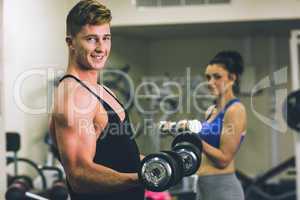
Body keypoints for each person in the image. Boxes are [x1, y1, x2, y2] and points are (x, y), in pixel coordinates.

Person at [48, 0, 144, 199]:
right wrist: (141, 179)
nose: (101, 48)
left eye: (106, 38)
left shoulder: (103, 91)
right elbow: (79, 176)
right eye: (91, 39)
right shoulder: (76, 96)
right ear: (71, 42)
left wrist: (162, 162)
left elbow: (121, 155)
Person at [195, 50, 247, 200]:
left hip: (223, 188)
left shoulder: (235, 110)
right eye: (208, 77)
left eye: (217, 77)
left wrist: (195, 140)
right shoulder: (211, 110)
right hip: (203, 186)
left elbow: (224, 159)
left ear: (232, 78)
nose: (210, 83)